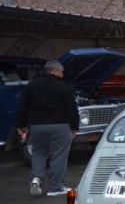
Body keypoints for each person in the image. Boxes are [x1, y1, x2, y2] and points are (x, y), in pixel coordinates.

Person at [15, 60, 79, 197]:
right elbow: (72, 108)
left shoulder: (31, 85)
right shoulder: (63, 86)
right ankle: (55, 188)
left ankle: (36, 178)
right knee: (58, 155)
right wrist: (74, 126)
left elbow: (23, 107)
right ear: (54, 71)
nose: (63, 74)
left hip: (37, 126)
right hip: (59, 126)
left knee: (38, 153)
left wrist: (21, 125)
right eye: (61, 71)